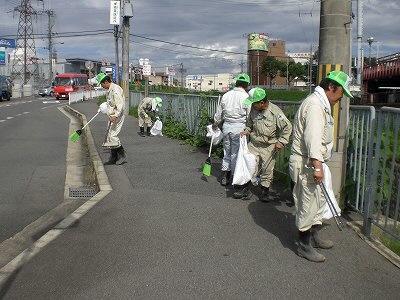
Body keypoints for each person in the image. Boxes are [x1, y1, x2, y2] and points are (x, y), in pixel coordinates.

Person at [289, 70, 353, 263]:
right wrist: (317, 166)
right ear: (331, 87)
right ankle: (304, 245)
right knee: (307, 205)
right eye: (341, 93)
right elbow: (313, 138)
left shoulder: (321, 103)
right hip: (308, 163)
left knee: (318, 203)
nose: (340, 98)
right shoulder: (316, 105)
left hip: (314, 162)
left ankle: (314, 237)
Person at [237, 87, 292, 201]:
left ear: (261, 103)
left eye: (254, 103)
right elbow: (249, 124)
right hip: (254, 143)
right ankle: (245, 189)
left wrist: (281, 142)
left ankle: (264, 191)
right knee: (249, 166)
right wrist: (246, 131)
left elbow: (287, 127)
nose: (252, 106)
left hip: (269, 146)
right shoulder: (253, 109)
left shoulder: (275, 112)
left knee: (267, 169)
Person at [212, 73, 250, 186]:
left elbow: (220, 112)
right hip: (240, 128)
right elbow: (248, 116)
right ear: (246, 85)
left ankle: (225, 175)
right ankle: (235, 177)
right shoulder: (247, 97)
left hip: (227, 126)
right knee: (236, 154)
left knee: (226, 152)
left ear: (236, 83)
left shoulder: (226, 95)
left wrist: (215, 123)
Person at [97, 72, 126, 165]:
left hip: (117, 116)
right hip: (112, 116)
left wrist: (115, 115)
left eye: (101, 84)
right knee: (109, 136)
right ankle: (114, 158)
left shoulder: (115, 89)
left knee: (112, 135)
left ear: (105, 81)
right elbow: (110, 104)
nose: (101, 86)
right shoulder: (109, 90)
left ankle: (121, 155)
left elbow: (120, 104)